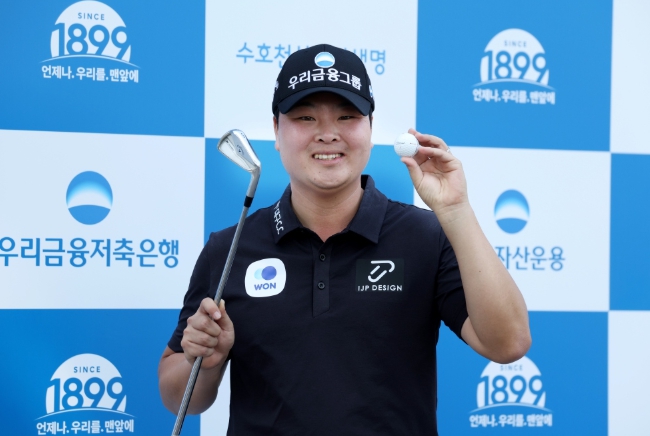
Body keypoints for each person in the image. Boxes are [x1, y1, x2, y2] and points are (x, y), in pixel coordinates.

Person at [158, 44, 531, 435]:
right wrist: (206, 363)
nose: (327, 134)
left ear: (370, 129)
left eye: (347, 116)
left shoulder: (425, 236)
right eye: (305, 117)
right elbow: (177, 396)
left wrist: (455, 210)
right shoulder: (231, 247)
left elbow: (508, 344)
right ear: (276, 131)